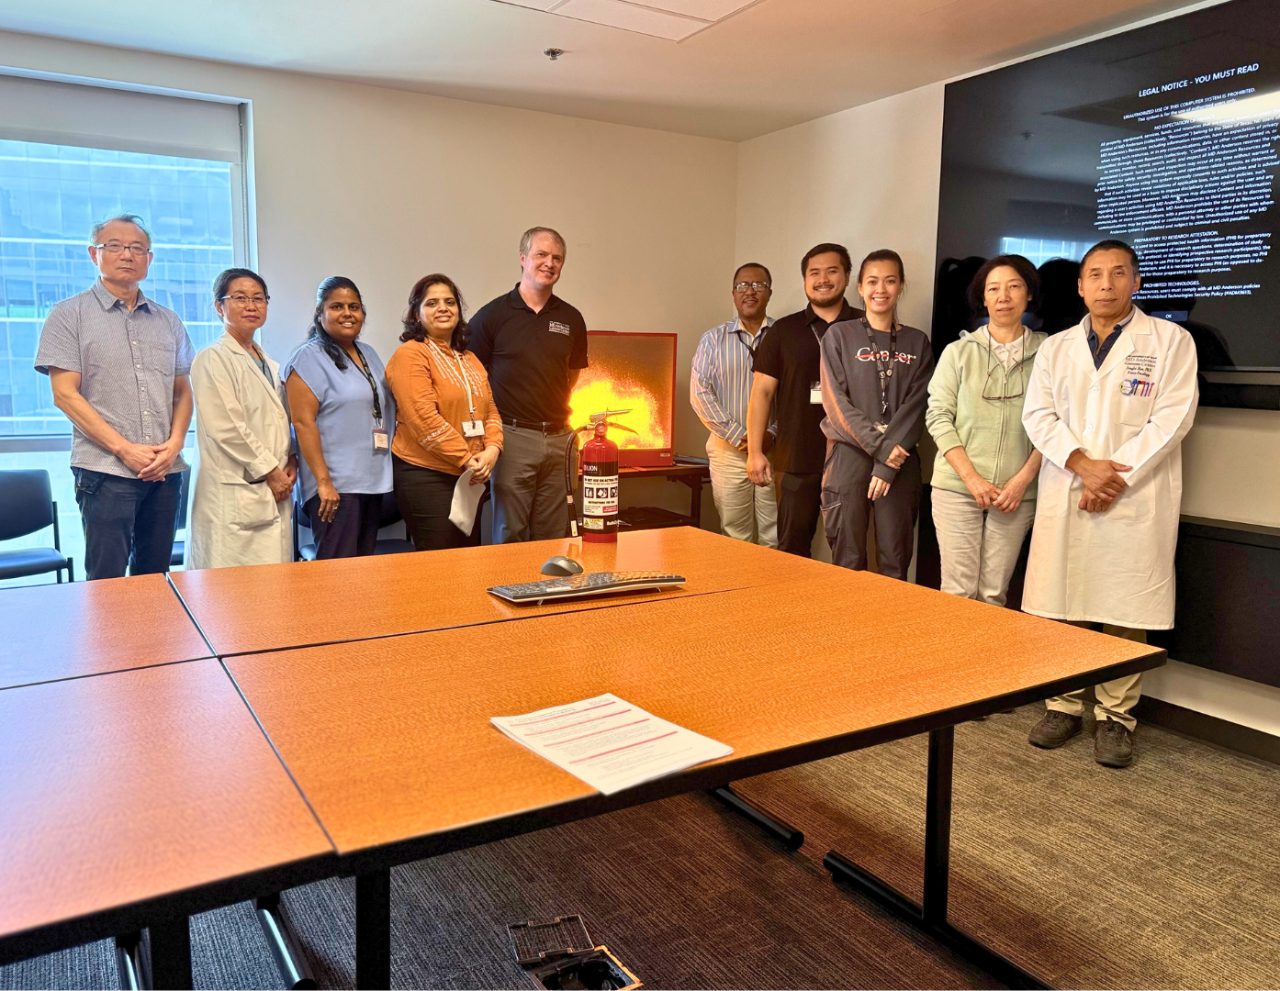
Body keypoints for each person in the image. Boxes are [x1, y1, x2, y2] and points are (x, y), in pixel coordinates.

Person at [1022, 239, 1198, 768]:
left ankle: (1116, 717)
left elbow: (1172, 418)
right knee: (1063, 603)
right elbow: (1038, 416)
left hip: (1132, 493)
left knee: (1124, 606)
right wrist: (1082, 465)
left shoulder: (1171, 341)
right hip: (1069, 485)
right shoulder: (1056, 348)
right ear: (1080, 287)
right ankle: (1062, 705)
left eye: (1118, 273)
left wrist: (1110, 477)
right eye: (1095, 274)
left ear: (1136, 282)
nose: (1106, 284)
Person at [34, 213, 194, 581]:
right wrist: (125, 449)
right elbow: (65, 395)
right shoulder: (68, 315)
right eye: (115, 246)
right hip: (106, 471)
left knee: (156, 577)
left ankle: (153, 626)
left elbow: (183, 392)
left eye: (137, 248)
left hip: (164, 470)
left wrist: (174, 445)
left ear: (149, 259)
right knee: (106, 580)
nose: (127, 255)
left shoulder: (168, 320)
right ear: (94, 254)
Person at [925, 254, 1045, 605]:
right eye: (993, 289)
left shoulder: (1049, 353)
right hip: (957, 487)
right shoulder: (958, 352)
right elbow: (938, 416)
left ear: (1029, 294)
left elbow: (1057, 422)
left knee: (994, 593)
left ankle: (988, 646)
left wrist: (1022, 481)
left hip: (1016, 492)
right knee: (958, 591)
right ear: (983, 297)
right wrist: (971, 478)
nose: (1003, 296)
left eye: (1014, 287)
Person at [818, 249, 933, 578]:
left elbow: (917, 406)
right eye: (872, 281)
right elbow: (836, 404)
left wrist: (886, 463)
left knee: (895, 561)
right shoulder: (839, 336)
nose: (880, 289)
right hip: (849, 455)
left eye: (890, 281)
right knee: (847, 559)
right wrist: (880, 447)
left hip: (900, 459)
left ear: (901, 286)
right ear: (859, 286)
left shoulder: (917, 342)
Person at [469, 226, 588, 543]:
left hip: (561, 439)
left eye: (557, 258)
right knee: (511, 534)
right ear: (523, 258)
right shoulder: (492, 316)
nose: (549, 263)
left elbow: (572, 375)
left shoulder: (572, 318)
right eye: (541, 255)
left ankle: (548, 579)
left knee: (554, 535)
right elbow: (472, 376)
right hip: (512, 438)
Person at [747, 243, 863, 557]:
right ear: (804, 280)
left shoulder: (865, 327)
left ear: (847, 276)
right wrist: (755, 451)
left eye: (832, 271)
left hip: (854, 457)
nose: (822, 279)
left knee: (852, 552)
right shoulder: (783, 331)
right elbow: (761, 392)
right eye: (814, 273)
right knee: (791, 549)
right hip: (796, 457)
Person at [187, 269, 295, 569]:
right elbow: (227, 428)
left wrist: (291, 459)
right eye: (240, 298)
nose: (251, 306)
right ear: (219, 307)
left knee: (273, 585)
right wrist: (271, 471)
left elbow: (280, 422)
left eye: (258, 299)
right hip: (235, 490)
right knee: (231, 588)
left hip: (272, 487)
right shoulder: (212, 358)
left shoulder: (270, 364)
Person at [386, 274, 503, 549]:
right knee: (440, 564)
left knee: (468, 560)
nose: (443, 308)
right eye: (432, 303)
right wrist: (467, 459)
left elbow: (490, 410)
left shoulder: (469, 358)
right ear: (417, 314)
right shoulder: (410, 354)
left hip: (469, 473)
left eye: (450, 302)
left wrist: (493, 449)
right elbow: (423, 418)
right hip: (427, 476)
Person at [281, 277, 394, 559]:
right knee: (337, 570)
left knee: (363, 569)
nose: (347, 313)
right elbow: (302, 423)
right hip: (335, 486)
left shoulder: (368, 353)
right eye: (337, 306)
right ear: (320, 313)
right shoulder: (308, 358)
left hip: (371, 480)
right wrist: (323, 482)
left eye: (354, 307)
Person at [690, 263, 778, 546]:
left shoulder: (783, 336)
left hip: (775, 450)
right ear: (733, 294)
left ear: (769, 292)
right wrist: (740, 437)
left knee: (775, 535)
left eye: (758, 285)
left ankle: (773, 579)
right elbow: (700, 393)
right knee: (734, 537)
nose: (750, 291)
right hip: (728, 451)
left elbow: (795, 396)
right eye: (742, 286)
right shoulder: (712, 340)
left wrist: (770, 434)